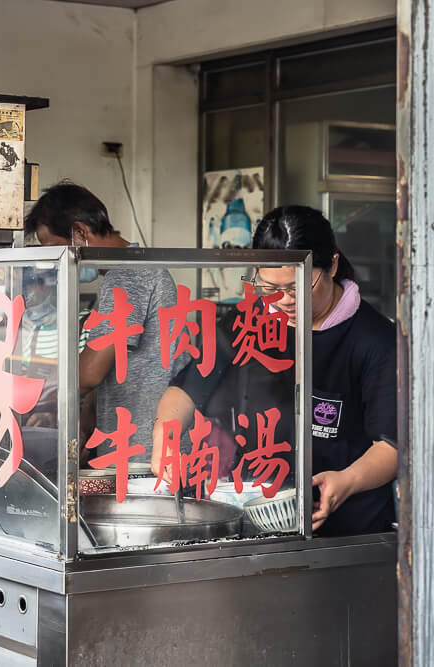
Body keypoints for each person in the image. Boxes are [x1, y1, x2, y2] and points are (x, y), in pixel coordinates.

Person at [151, 205, 397, 536]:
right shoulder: (251, 320)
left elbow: (392, 445)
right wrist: (164, 438)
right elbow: (189, 385)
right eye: (269, 287)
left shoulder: (375, 340)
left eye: (297, 287)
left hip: (346, 530)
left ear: (333, 265)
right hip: (257, 518)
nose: (282, 299)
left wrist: (347, 481)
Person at [24, 181, 182, 466]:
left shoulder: (128, 275)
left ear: (81, 233)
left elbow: (89, 374)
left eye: (56, 250)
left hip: (141, 452)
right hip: (139, 444)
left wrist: (34, 395)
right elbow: (113, 363)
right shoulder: (135, 269)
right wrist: (87, 420)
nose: (56, 262)